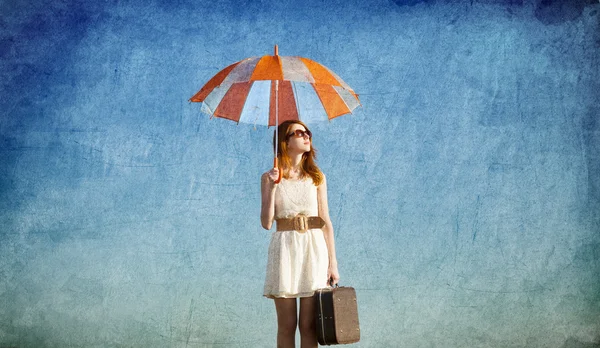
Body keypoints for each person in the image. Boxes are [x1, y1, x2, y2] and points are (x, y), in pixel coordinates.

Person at [261, 120, 340, 348]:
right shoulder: (268, 178)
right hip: (285, 250)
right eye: (299, 133)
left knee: (309, 325)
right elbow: (266, 223)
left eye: (308, 132)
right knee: (286, 325)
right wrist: (273, 187)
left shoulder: (316, 177)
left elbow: (326, 221)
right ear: (285, 141)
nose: (307, 136)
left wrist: (333, 263)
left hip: (313, 249)